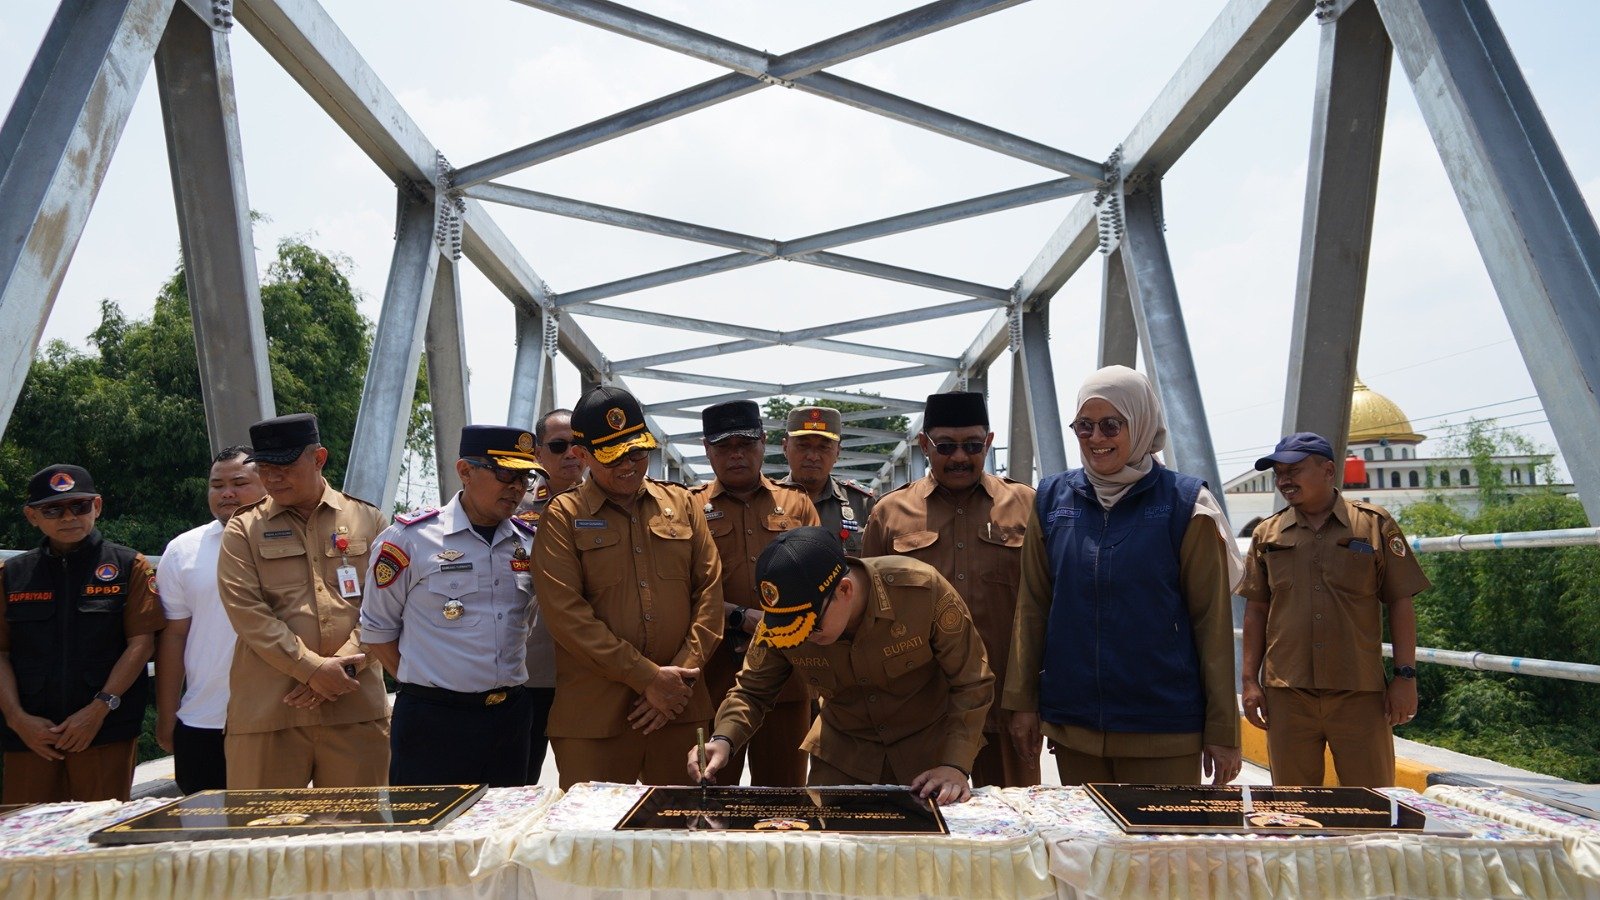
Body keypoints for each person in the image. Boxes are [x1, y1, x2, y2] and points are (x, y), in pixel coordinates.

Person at [1005, 366, 1242, 786]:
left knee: (1162, 833)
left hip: (1163, 728)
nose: (1096, 438)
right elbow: (1033, 606)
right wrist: (1023, 702)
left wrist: (1223, 730)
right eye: (1084, 425)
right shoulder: (1052, 499)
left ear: (1141, 423)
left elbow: (1212, 623)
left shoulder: (1186, 504)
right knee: (1085, 833)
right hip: (1075, 726)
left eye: (1112, 425)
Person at [690, 526, 993, 805]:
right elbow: (752, 691)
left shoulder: (922, 591)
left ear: (844, 590)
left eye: (811, 625)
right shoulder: (781, 621)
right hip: (843, 760)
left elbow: (971, 681)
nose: (804, 636)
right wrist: (723, 739)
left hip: (929, 762)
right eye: (792, 627)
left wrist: (954, 765)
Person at [533, 385, 723, 789]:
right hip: (595, 718)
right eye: (613, 456)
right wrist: (648, 678)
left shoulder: (683, 505)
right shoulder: (563, 516)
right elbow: (566, 615)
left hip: (679, 709)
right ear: (582, 454)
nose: (629, 465)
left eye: (637, 452)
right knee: (592, 828)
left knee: (683, 823)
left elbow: (709, 594)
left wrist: (677, 682)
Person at [863, 391, 1038, 788]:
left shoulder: (1026, 505)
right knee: (924, 820)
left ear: (989, 442)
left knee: (1014, 816)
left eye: (973, 446)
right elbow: (868, 619)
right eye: (946, 446)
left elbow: (1046, 605)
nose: (960, 457)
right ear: (924, 445)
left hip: (1005, 704)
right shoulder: (889, 514)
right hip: (920, 710)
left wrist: (1034, 701)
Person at [1240, 432, 1429, 787]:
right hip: (1288, 692)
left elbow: (1401, 601)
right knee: (1294, 806)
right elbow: (1256, 611)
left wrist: (1405, 677)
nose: (1284, 480)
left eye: (1294, 470)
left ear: (1328, 470)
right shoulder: (1268, 535)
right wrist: (1250, 681)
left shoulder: (1374, 524)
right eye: (1279, 473)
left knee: (1373, 802)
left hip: (1359, 691)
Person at [217, 413, 390, 789]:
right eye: (265, 468)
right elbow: (246, 612)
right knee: (264, 825)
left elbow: (387, 606)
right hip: (270, 712)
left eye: (285, 466)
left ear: (319, 458)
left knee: (357, 824)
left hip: (354, 708)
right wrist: (312, 669)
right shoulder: (243, 528)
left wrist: (344, 668)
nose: (273, 477)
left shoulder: (369, 520)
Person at [361, 426, 541, 787]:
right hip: (433, 721)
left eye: (526, 477)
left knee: (504, 822)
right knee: (428, 823)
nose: (517, 487)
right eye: (505, 473)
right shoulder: (411, 538)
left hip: (510, 717)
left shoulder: (529, 542)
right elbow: (377, 630)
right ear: (465, 471)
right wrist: (428, 684)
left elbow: (527, 623)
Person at [0, 464, 162, 803]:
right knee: (24, 827)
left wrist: (98, 709)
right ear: (32, 516)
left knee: (101, 825)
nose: (68, 517)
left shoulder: (128, 566)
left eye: (80, 506)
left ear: (97, 506)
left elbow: (141, 644)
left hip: (104, 727)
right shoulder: (11, 574)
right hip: (30, 732)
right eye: (53, 509)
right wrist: (16, 718)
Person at [688, 400, 818, 786]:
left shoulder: (796, 504)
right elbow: (679, 590)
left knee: (784, 797)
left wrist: (774, 627)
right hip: (714, 677)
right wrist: (740, 618)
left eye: (745, 443)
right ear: (706, 449)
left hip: (786, 678)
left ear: (763, 441)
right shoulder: (688, 508)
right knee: (712, 795)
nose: (736, 455)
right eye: (723, 446)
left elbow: (822, 583)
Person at [155, 447, 267, 793]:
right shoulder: (182, 551)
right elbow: (174, 636)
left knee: (277, 825)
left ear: (266, 483)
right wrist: (167, 714)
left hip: (280, 720)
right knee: (204, 823)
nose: (227, 493)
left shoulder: (296, 542)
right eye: (217, 485)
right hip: (204, 719)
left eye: (239, 483)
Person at [514, 408, 584, 782]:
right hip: (534, 669)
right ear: (537, 454)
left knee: (588, 787)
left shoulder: (613, 503)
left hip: (593, 669)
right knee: (520, 782)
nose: (571, 453)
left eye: (578, 444)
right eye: (558, 446)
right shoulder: (514, 506)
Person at [776, 406, 876, 554]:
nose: (813, 456)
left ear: (837, 452)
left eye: (824, 447)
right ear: (785, 447)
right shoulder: (767, 500)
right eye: (803, 446)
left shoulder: (862, 504)